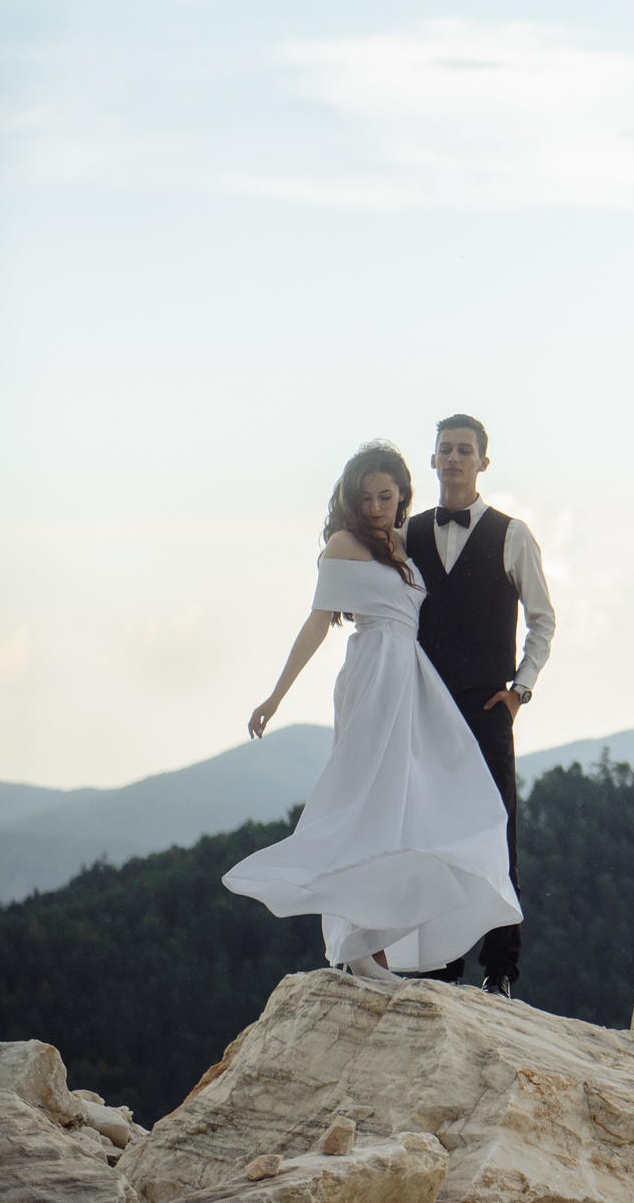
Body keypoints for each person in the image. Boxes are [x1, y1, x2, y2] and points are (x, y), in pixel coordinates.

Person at [224, 442, 520, 982]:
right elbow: (317, 623)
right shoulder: (344, 544)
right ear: (351, 501)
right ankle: (358, 946)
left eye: (386, 496)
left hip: (412, 678)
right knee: (371, 806)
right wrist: (275, 697)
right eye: (366, 497)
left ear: (403, 496)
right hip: (374, 676)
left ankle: (376, 942)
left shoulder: (400, 546)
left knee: (426, 802)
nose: (377, 506)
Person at [400, 413, 556, 1000]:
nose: (455, 459)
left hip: (487, 707)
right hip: (424, 707)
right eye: (446, 450)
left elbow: (543, 621)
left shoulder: (513, 534)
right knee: (432, 831)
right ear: (434, 460)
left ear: (483, 462)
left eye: (466, 450)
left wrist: (520, 690)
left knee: (495, 831)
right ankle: (440, 962)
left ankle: (500, 970)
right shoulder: (406, 533)